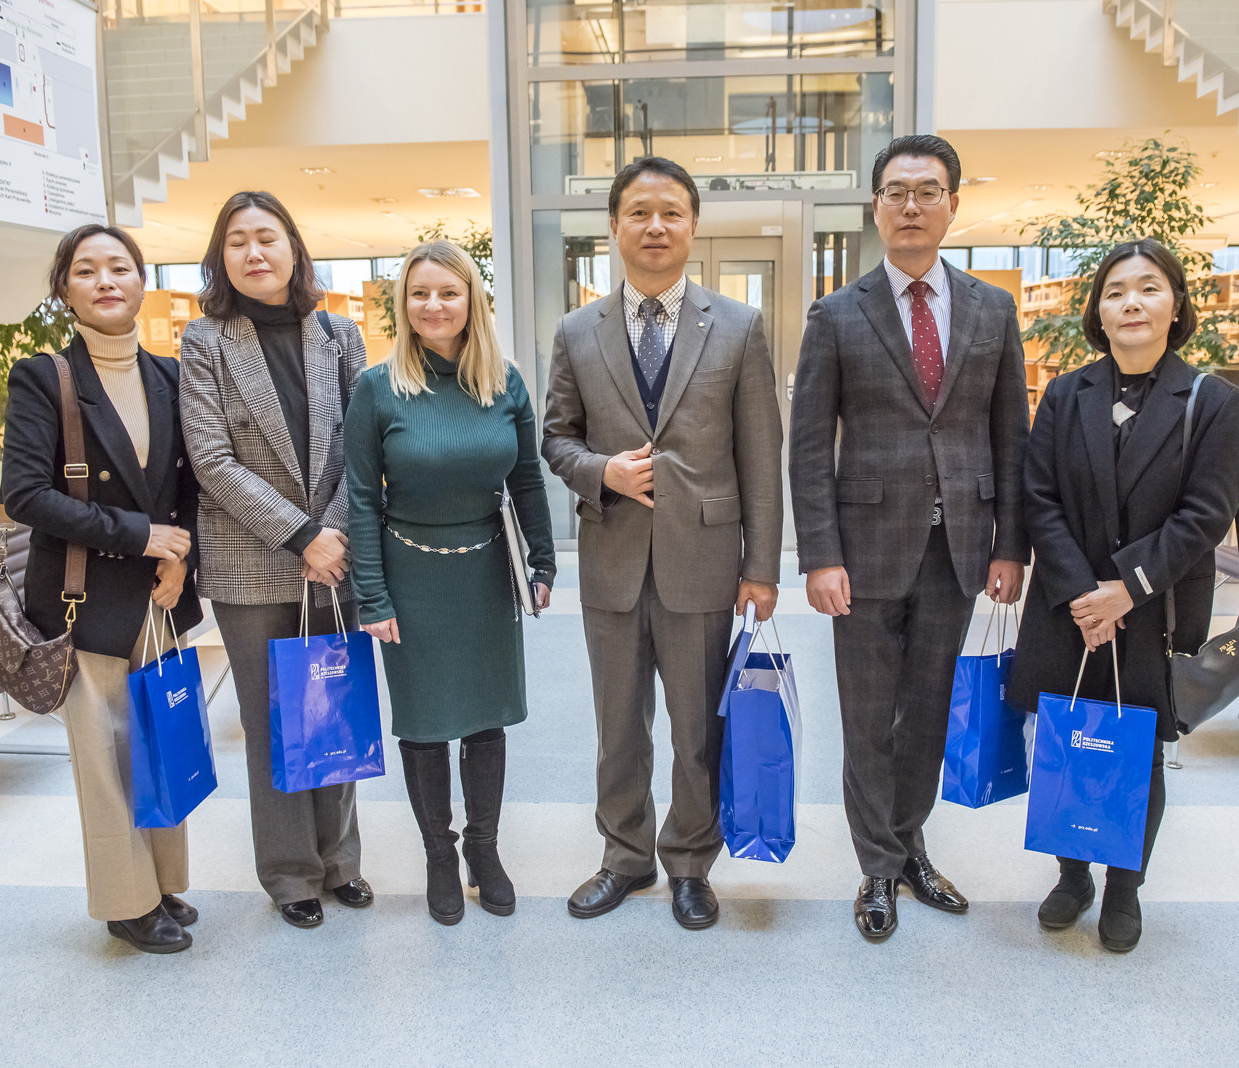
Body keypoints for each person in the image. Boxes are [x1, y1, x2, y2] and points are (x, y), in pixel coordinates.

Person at [787, 134, 1031, 942]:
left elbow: (1011, 436)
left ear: (953, 204)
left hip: (959, 549)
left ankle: (908, 845)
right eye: (897, 192)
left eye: (928, 191)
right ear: (876, 207)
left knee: (926, 714)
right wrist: (820, 555)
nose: (912, 205)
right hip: (862, 555)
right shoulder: (836, 314)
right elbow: (809, 447)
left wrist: (1010, 545)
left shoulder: (993, 310)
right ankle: (877, 868)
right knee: (867, 719)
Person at [542, 156, 784, 930]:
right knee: (618, 729)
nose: (655, 226)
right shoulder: (577, 331)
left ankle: (688, 862)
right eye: (639, 213)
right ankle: (624, 857)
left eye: (671, 212)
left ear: (692, 225)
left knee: (697, 729)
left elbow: (760, 455)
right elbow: (556, 439)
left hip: (704, 563)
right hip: (612, 560)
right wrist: (601, 471)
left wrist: (762, 567)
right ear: (614, 226)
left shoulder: (738, 326)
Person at [1007, 238, 1239, 953]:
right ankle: (1071, 874)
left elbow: (1205, 514)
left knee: (1136, 748)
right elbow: (1038, 498)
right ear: (1098, 312)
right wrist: (1085, 593)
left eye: (1148, 288)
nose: (1131, 303)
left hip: (1156, 608)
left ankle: (1123, 886)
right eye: (1115, 292)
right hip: (1069, 603)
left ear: (1176, 306)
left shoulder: (1212, 401)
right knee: (1067, 738)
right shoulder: (1065, 393)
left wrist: (1126, 589)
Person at [1, 224, 203, 954]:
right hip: (83, 600)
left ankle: (163, 883)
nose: (106, 280)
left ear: (143, 281)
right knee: (105, 760)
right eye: (86, 270)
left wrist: (182, 555)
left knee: (159, 743)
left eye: (120, 267)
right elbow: (25, 494)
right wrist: (140, 536)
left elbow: (190, 485)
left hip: (160, 596)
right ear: (65, 289)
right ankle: (126, 902)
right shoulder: (43, 377)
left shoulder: (169, 375)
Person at [343, 241, 555, 926]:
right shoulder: (378, 388)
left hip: (487, 571)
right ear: (403, 303)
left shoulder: (504, 382)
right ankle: (440, 854)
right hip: (409, 577)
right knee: (425, 724)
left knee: (487, 719)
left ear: (473, 301)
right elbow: (360, 498)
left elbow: (527, 481)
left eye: (448, 292)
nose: (433, 305)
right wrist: (372, 595)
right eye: (419, 293)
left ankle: (483, 851)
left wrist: (543, 562)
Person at [178, 191, 372, 929]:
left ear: (294, 248)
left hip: (336, 556)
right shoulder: (205, 342)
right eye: (237, 241)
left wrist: (333, 534)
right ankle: (291, 873)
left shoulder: (339, 334)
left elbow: (364, 446)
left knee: (333, 707)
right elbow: (211, 459)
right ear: (221, 258)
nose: (254, 252)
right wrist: (301, 535)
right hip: (252, 563)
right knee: (273, 723)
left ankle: (341, 861)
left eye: (267, 237)